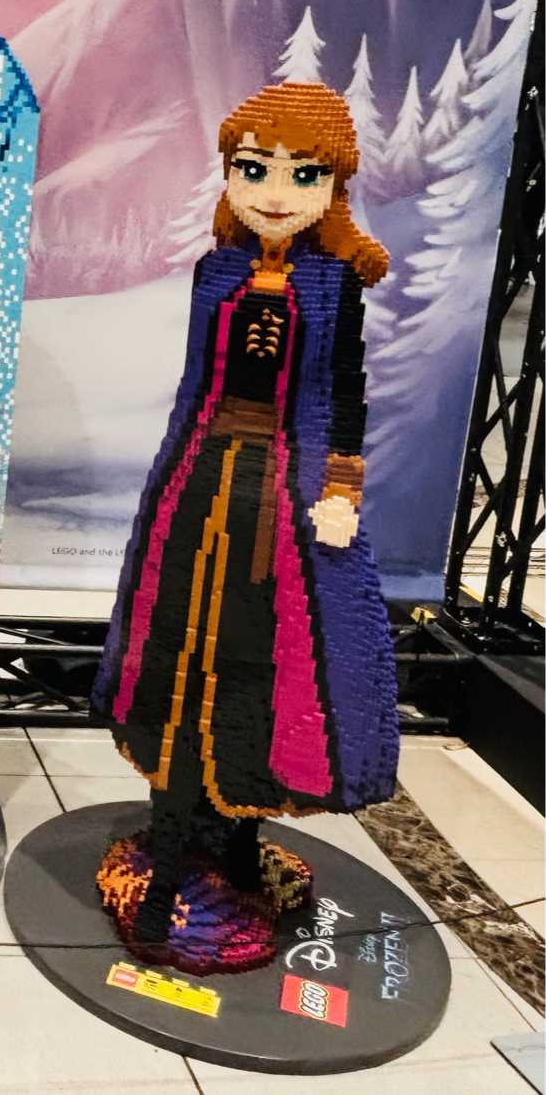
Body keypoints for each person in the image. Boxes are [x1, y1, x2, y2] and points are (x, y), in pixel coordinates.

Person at [92, 80, 399, 953]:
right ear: (229, 172)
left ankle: (235, 843)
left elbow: (345, 392)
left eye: (302, 175)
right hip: (195, 493)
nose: (274, 192)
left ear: (332, 185)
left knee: (262, 665)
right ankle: (168, 851)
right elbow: (196, 385)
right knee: (174, 657)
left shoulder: (336, 285)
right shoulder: (215, 271)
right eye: (254, 168)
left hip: (284, 510)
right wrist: (169, 483)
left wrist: (340, 484)